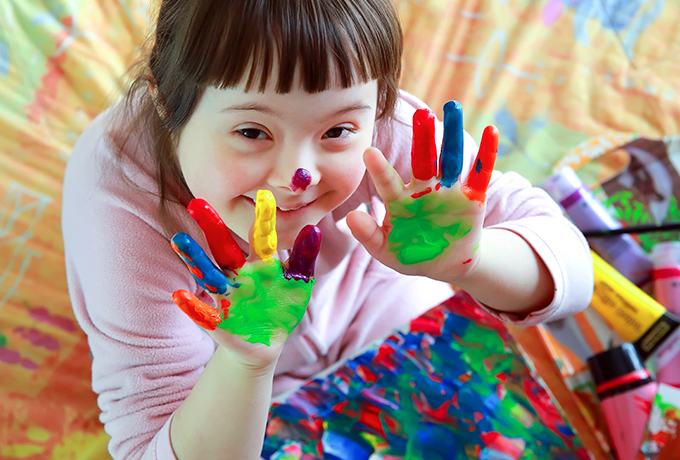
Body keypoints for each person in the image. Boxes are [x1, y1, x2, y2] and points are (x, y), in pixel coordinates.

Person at [61, 0, 594, 459]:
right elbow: (149, 444)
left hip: (383, 309)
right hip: (228, 390)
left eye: (337, 129)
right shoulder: (118, 203)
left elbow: (574, 272)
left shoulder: (390, 136)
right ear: (165, 98)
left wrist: (470, 261)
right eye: (252, 131)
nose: (299, 176)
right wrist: (246, 360)